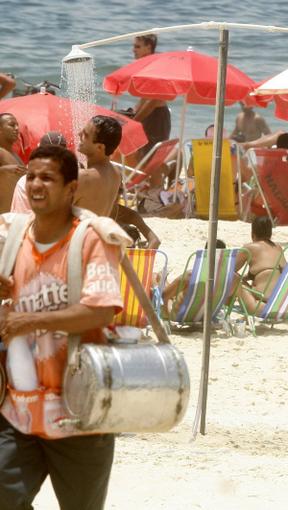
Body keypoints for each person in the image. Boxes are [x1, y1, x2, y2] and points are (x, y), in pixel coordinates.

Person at [0, 144, 123, 508]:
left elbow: (101, 310)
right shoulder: (10, 235)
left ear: (71, 188)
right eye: (32, 177)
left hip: (80, 414)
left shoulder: (91, 238)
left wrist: (30, 320)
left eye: (48, 178)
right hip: (17, 412)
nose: (37, 185)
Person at [130, 35, 171, 159]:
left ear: (148, 47)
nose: (133, 50)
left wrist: (135, 121)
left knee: (150, 159)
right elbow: (145, 98)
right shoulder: (147, 65)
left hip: (156, 117)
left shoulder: (154, 66)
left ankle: (171, 165)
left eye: (137, 46)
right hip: (152, 115)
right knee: (140, 156)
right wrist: (133, 112)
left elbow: (153, 100)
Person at [75, 116, 123, 216]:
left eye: (85, 135)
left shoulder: (83, 177)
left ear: (100, 147)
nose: (79, 134)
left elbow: (55, 215)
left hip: (82, 231)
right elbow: (113, 212)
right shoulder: (116, 174)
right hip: (98, 231)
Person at [238, 217, 287, 314]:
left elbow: (230, 271)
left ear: (253, 233)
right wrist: (249, 276)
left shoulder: (249, 248)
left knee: (234, 279)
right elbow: (275, 272)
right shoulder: (277, 248)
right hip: (282, 305)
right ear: (270, 233)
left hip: (261, 306)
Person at [0, 113, 25, 212]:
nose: (17, 128)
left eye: (17, 125)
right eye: (11, 125)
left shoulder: (15, 155)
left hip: (14, 215)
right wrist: (4, 170)